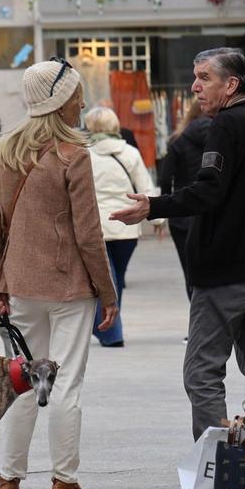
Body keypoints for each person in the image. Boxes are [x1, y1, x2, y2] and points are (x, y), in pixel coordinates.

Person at [112, 47, 245, 438]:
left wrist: (153, 206)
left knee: (202, 371)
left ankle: (214, 465)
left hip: (227, 271)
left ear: (231, 85)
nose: (195, 86)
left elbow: (209, 190)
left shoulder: (227, 126)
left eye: (204, 78)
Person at [0, 58, 118, 489]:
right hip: (69, 285)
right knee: (66, 383)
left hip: (18, 283)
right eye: (76, 95)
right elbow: (89, 234)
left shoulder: (1, 152)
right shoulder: (73, 156)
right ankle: (64, 482)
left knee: (20, 380)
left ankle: (8, 479)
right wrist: (108, 292)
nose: (81, 102)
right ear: (61, 102)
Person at [86, 106, 158, 348]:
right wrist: (158, 219)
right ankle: (108, 327)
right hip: (127, 228)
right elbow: (146, 188)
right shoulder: (130, 153)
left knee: (106, 281)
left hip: (96, 229)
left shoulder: (83, 154)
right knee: (115, 280)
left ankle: (110, 332)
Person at [159, 98, 211, 290]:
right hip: (211, 210)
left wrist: (166, 209)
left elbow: (165, 178)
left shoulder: (177, 140)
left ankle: (196, 309)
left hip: (182, 214)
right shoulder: (220, 138)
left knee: (190, 271)